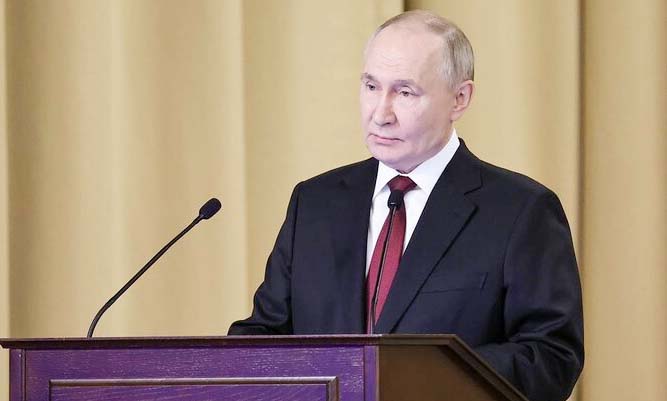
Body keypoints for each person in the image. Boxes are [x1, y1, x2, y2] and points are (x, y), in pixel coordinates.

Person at [229, 10, 583, 401]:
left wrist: (420, 379)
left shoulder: (521, 211)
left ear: (460, 99)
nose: (380, 114)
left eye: (405, 92)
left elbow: (551, 357)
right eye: (371, 86)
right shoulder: (314, 203)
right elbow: (264, 336)